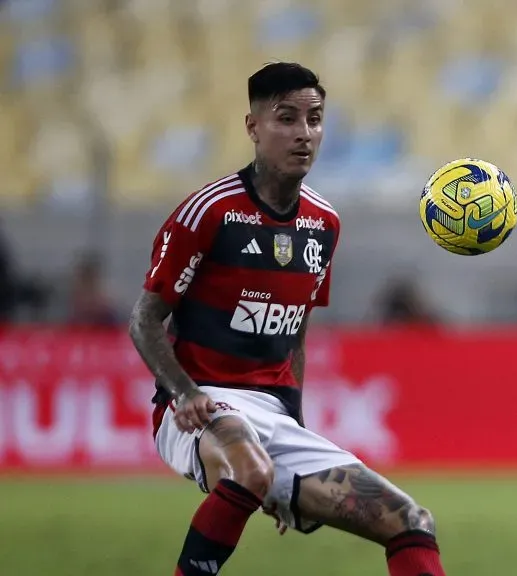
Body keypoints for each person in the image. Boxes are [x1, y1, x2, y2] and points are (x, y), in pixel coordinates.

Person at [128, 62, 446, 576]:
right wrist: (183, 393)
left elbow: (294, 332)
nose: (304, 134)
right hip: (200, 406)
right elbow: (144, 320)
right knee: (252, 470)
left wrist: (293, 427)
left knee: (411, 521)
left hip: (273, 419)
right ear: (253, 128)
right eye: (287, 119)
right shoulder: (209, 212)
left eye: (315, 119)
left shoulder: (324, 224)